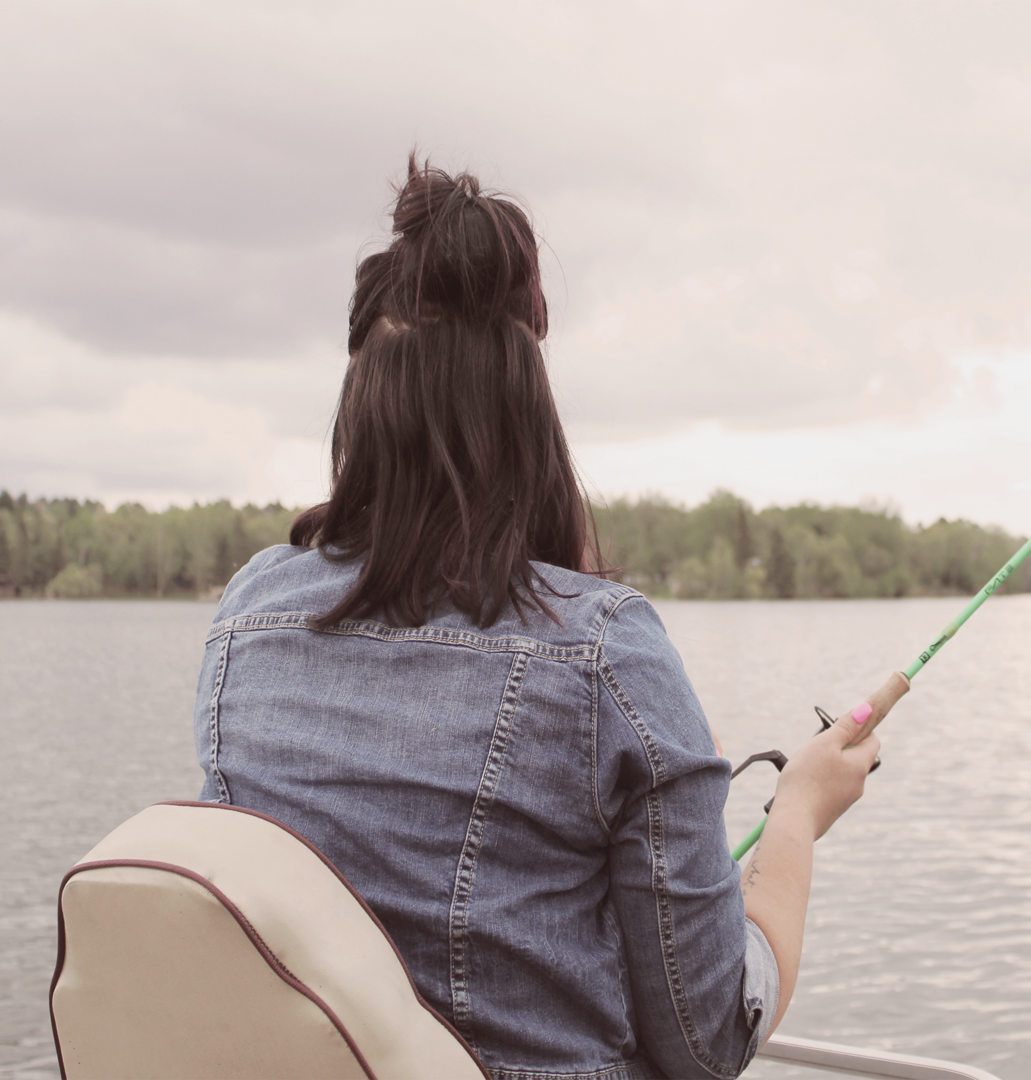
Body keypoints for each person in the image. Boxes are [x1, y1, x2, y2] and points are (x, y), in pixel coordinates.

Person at [193, 158, 881, 1080]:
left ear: (360, 407)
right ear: (529, 412)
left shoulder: (247, 618)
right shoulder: (608, 653)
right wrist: (795, 813)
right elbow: (709, 1038)